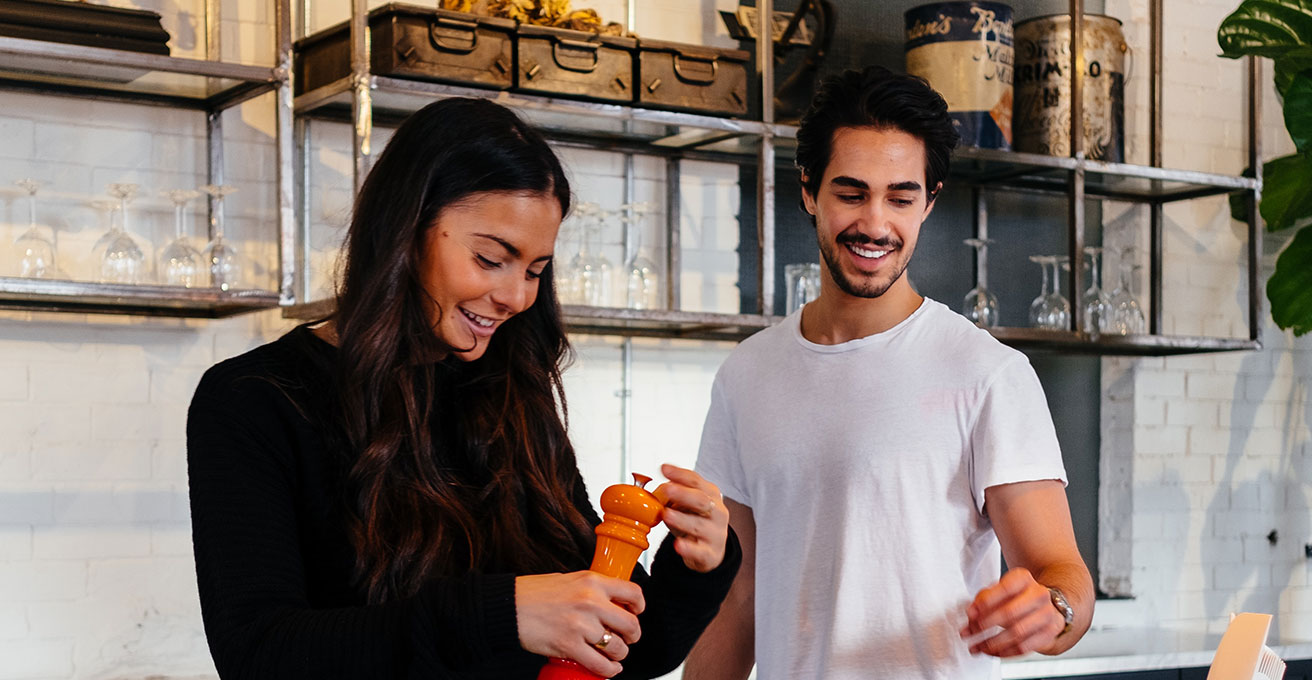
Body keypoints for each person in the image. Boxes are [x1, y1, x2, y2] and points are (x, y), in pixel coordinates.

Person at [186, 97, 740, 680]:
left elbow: (629, 653)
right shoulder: (254, 399)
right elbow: (260, 655)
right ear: (405, 227)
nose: (516, 297)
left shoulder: (512, 395)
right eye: (490, 258)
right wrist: (506, 614)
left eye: (533, 270)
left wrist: (695, 567)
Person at [683, 66, 1093, 680]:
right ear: (807, 191)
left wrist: (1052, 609)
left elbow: (1062, 571)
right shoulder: (747, 373)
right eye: (851, 193)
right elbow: (736, 599)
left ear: (929, 202)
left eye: (900, 198)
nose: (875, 224)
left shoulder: (987, 373)